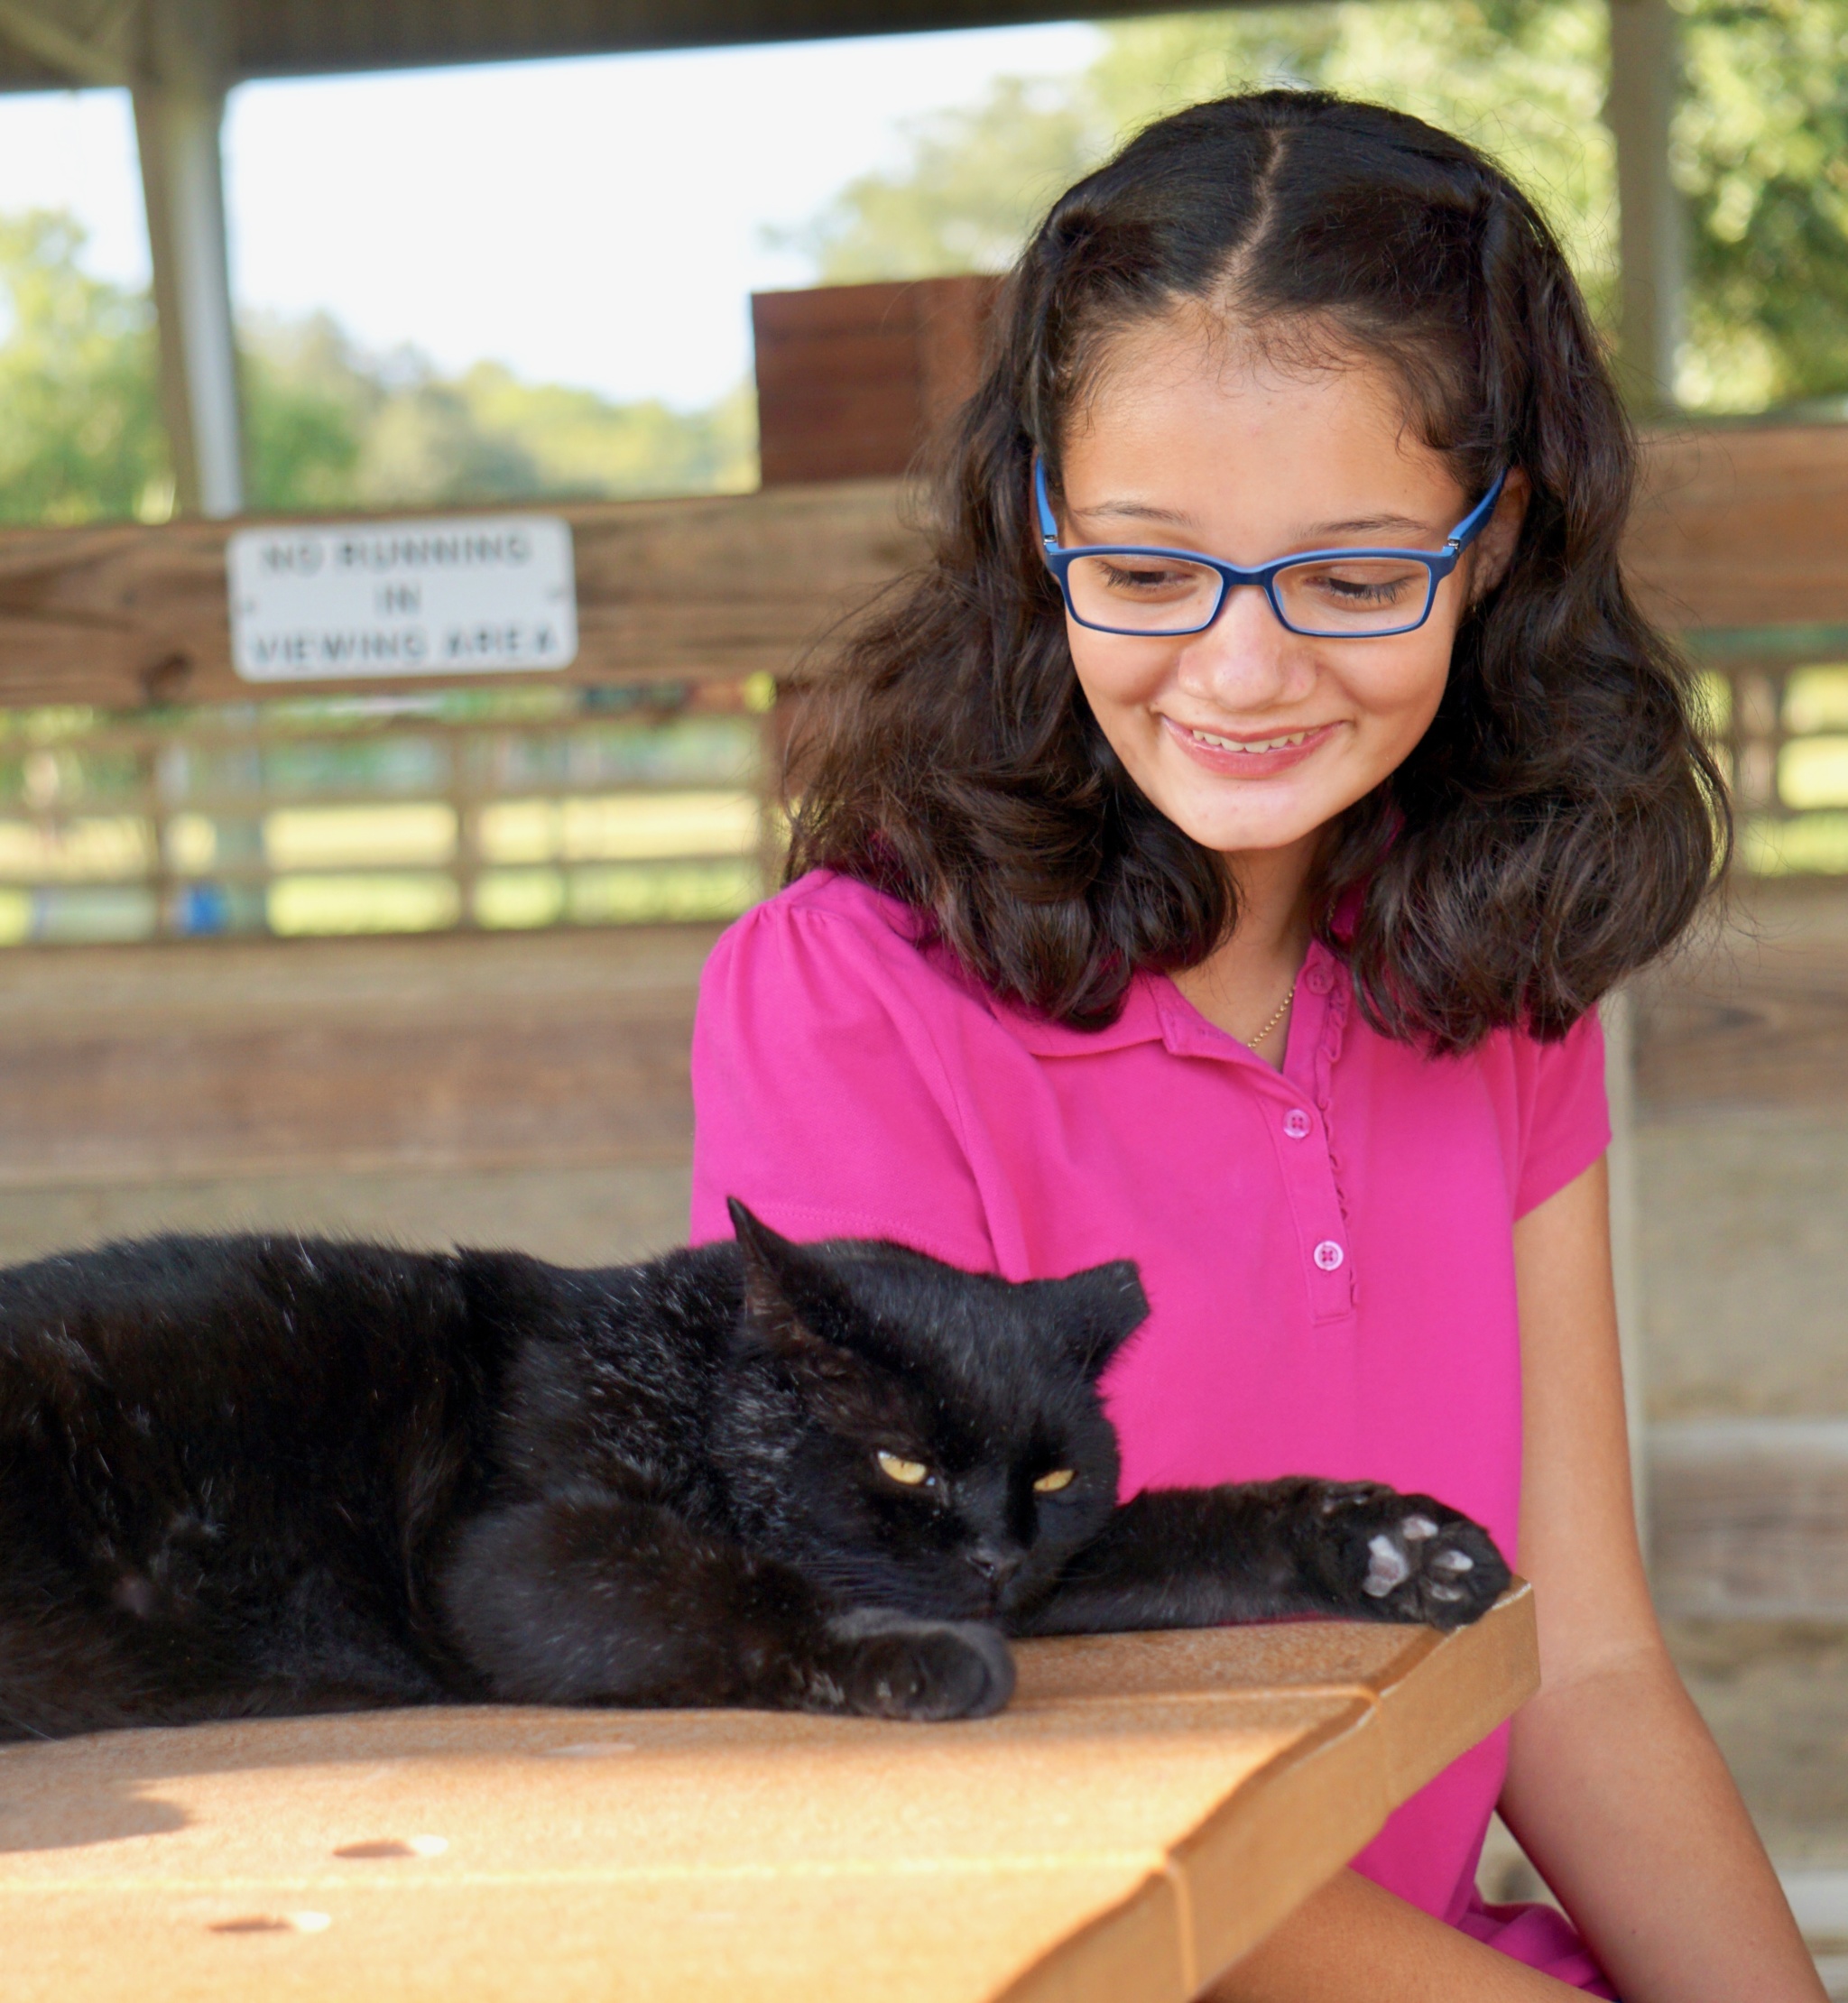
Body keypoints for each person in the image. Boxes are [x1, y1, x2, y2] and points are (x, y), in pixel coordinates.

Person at [688, 91, 1822, 2000]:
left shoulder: (1489, 982)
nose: (1235, 667)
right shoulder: (846, 1006)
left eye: (1354, 575)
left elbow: (1579, 1667)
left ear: (1494, 544)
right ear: (1037, 526)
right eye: (1144, 569)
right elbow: (980, 1743)